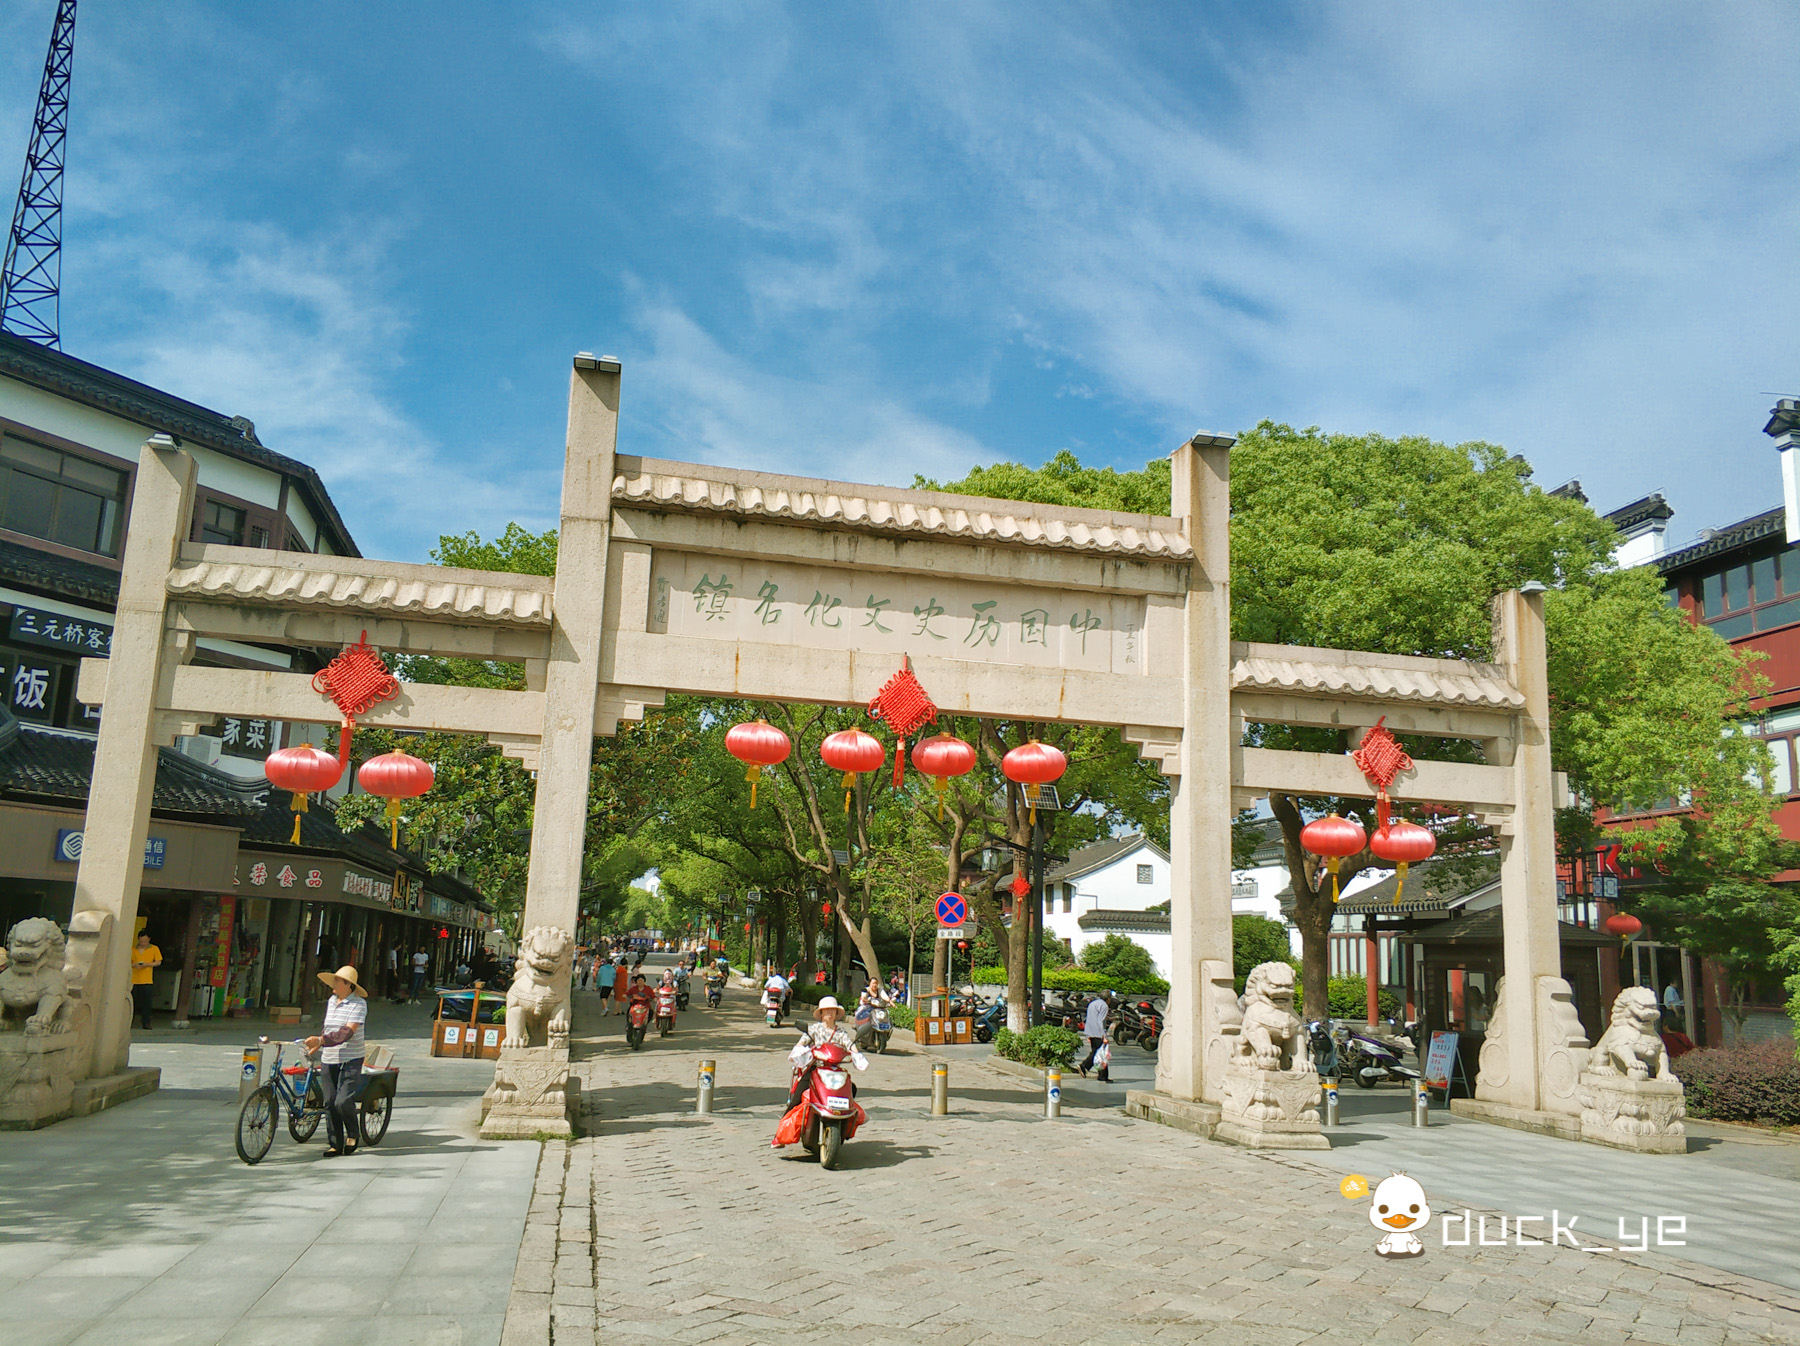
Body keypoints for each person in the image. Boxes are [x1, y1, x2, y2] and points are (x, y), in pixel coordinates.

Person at [305, 964, 368, 1158]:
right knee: (329, 1101)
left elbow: (346, 1033)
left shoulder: (359, 1004)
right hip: (329, 1057)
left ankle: (352, 1133)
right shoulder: (332, 1001)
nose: (333, 984)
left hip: (351, 1058)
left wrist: (322, 1040)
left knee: (343, 1101)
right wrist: (318, 1044)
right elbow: (329, 1027)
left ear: (348, 985)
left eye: (337, 981)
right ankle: (335, 1143)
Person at [786, 996, 869, 1108]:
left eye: (833, 1010)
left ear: (836, 1013)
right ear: (821, 1013)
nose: (830, 1012)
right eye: (826, 1009)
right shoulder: (814, 1029)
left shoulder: (841, 1032)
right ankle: (786, 1120)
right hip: (815, 1069)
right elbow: (801, 1043)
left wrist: (856, 1054)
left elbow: (850, 1044)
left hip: (835, 1071)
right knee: (797, 1097)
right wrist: (802, 1050)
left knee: (851, 1090)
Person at [130, 931, 162, 1030]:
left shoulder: (154, 949)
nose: (143, 943)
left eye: (145, 941)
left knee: (146, 1004)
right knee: (132, 1003)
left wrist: (147, 964)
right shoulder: (133, 949)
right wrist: (134, 965)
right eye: (141, 941)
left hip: (147, 980)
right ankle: (129, 1022)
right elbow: (128, 962)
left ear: (149, 939)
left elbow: (158, 962)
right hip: (134, 979)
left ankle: (146, 1023)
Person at [1079, 990, 1112, 1082]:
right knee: (1099, 1054)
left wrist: (1088, 1034)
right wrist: (1104, 1035)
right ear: (1108, 999)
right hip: (1098, 1032)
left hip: (1091, 1031)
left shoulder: (1093, 1003)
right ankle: (1084, 1066)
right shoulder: (1104, 1006)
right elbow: (1100, 1021)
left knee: (1099, 1053)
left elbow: (1089, 1018)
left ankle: (1102, 1076)